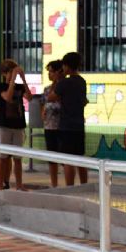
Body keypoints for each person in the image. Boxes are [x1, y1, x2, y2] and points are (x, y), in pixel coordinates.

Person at [49, 52, 88, 186]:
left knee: (68, 160)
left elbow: (51, 97)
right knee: (80, 158)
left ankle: (70, 187)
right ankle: (85, 185)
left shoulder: (64, 82)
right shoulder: (82, 81)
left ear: (66, 66)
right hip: (79, 125)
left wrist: (57, 79)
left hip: (66, 125)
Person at [0, 59, 32, 191]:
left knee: (17, 158)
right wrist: (11, 81)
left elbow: (30, 97)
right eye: (11, 72)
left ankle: (19, 185)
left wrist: (23, 79)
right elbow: (8, 97)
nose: (14, 74)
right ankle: (0, 185)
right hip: (5, 125)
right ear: (5, 73)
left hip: (19, 125)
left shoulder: (19, 87)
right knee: (3, 157)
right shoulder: (0, 86)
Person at [40, 60, 64, 187]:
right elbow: (43, 103)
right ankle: (54, 183)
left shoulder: (64, 87)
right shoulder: (47, 89)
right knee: (51, 157)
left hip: (62, 127)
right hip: (49, 126)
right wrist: (42, 112)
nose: (49, 74)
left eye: (51, 71)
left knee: (65, 157)